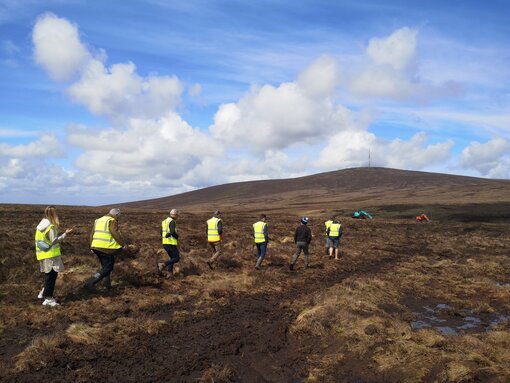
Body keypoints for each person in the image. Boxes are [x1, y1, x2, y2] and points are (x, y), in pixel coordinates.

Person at [35, 206, 73, 306]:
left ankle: (43, 293)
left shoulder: (40, 226)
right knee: (51, 276)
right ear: (53, 214)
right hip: (51, 256)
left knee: (48, 276)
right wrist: (65, 234)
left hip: (43, 255)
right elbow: (54, 241)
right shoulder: (50, 227)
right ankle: (48, 298)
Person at [85, 208, 126, 291]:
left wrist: (92, 246)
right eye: (119, 216)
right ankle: (91, 282)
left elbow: (92, 234)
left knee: (104, 267)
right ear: (116, 215)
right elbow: (115, 233)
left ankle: (106, 285)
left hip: (96, 247)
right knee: (108, 268)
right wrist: (123, 244)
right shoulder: (112, 220)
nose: (119, 218)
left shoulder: (98, 220)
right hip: (106, 248)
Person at [158, 209, 180, 278]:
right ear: (175, 215)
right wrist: (176, 237)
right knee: (176, 258)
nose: (177, 217)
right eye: (177, 215)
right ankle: (162, 264)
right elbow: (172, 232)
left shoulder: (164, 221)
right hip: (171, 243)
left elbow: (161, 233)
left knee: (172, 258)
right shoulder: (172, 221)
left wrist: (165, 237)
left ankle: (169, 274)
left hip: (165, 242)